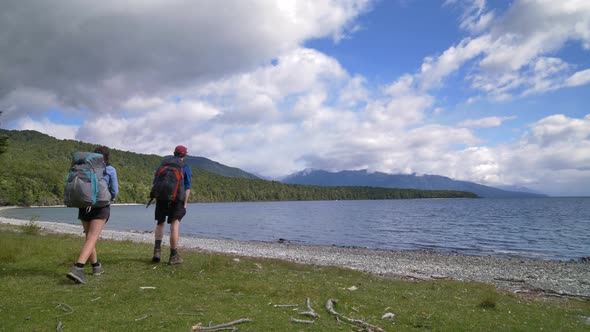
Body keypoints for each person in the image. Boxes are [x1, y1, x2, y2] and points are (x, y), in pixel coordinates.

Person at [66, 146, 119, 284]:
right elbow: (114, 190)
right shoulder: (109, 169)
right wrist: (109, 198)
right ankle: (78, 268)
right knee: (93, 237)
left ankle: (96, 266)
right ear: (106, 157)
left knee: (89, 237)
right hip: (101, 205)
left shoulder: (84, 168)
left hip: (84, 204)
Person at [152, 145, 192, 265]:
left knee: (160, 223)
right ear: (184, 155)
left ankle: (157, 253)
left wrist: (157, 197)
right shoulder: (185, 167)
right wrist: (185, 202)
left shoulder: (163, 164)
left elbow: (155, 181)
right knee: (174, 226)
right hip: (177, 199)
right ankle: (173, 256)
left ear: (174, 153)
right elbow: (187, 187)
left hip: (161, 198)